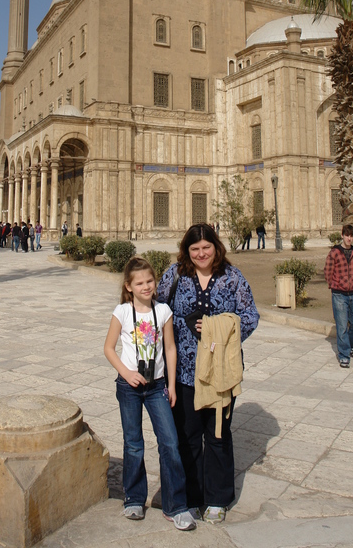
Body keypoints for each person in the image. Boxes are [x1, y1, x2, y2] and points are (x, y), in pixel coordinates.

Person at [157, 223, 259, 523]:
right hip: (185, 372)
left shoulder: (232, 277)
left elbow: (250, 317)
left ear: (216, 247)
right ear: (187, 251)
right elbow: (157, 312)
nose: (201, 253)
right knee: (187, 436)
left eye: (206, 247)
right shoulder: (175, 275)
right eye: (195, 249)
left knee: (218, 435)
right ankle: (189, 496)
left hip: (221, 373)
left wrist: (219, 329)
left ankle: (218, 498)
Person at [104, 257, 196, 532]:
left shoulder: (163, 311)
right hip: (129, 387)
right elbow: (108, 348)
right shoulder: (121, 312)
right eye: (139, 282)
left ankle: (176, 505)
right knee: (133, 443)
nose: (146, 286)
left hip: (157, 387)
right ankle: (133, 498)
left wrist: (171, 385)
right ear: (129, 287)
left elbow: (170, 349)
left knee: (170, 443)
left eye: (149, 281)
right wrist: (125, 372)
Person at [324, 224, 353, 368]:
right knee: (341, 325)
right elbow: (327, 270)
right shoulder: (334, 252)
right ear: (342, 236)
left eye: (351, 236)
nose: (349, 238)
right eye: (347, 235)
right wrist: (334, 284)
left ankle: (351, 343)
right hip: (339, 293)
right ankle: (344, 354)